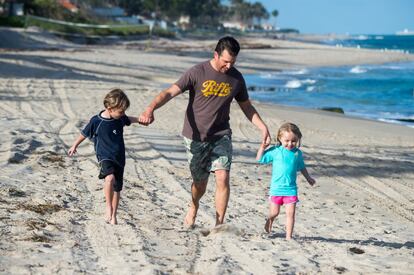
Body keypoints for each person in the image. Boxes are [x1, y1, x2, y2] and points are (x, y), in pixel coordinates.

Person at [139, 36, 270, 228]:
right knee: (200, 184)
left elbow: (247, 107)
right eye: (225, 61)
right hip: (195, 136)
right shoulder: (196, 72)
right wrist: (150, 109)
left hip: (221, 135)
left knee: (223, 177)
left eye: (232, 62)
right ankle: (194, 205)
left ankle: (219, 225)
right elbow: (169, 93)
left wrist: (262, 127)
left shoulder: (236, 78)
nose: (228, 66)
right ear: (215, 55)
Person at [68, 88, 139, 225]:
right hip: (104, 155)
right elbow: (84, 133)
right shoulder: (97, 121)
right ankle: (108, 207)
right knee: (109, 178)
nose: (123, 114)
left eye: (124, 111)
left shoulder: (119, 118)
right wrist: (74, 145)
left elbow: (128, 119)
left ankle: (113, 215)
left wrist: (140, 120)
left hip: (119, 156)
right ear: (109, 108)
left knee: (118, 188)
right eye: (121, 111)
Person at [256, 122, 315, 240]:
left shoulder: (297, 153)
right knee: (275, 213)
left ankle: (289, 236)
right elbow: (260, 159)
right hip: (276, 189)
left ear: (298, 140)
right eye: (287, 140)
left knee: (291, 214)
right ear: (280, 138)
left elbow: (302, 167)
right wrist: (262, 147)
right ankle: (270, 219)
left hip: (291, 189)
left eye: (293, 141)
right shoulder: (275, 150)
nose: (290, 144)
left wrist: (308, 178)